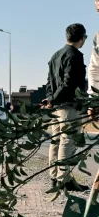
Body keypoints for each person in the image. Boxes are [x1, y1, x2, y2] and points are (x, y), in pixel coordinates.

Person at [42, 23, 89, 192]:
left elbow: (49, 82)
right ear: (81, 38)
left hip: (56, 109)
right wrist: (53, 99)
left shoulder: (55, 56)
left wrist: (50, 99)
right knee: (67, 142)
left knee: (56, 141)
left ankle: (55, 177)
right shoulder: (74, 55)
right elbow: (68, 83)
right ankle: (64, 179)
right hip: (69, 107)